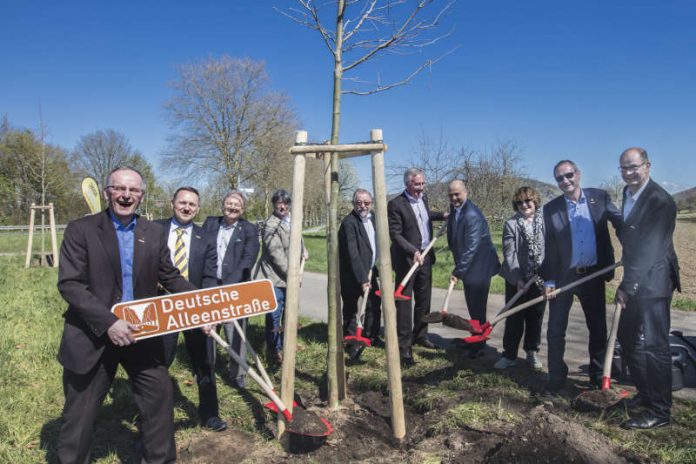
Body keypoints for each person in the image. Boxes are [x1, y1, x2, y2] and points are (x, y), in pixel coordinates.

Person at [56, 167, 195, 463]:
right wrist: (109, 322)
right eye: (119, 188)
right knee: (79, 417)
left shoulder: (153, 232)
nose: (126, 195)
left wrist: (202, 306)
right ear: (107, 192)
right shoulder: (81, 230)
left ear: (142, 196)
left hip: (142, 333)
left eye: (133, 191)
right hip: (94, 335)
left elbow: (170, 276)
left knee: (159, 401)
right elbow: (70, 284)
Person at [541, 160, 622, 395]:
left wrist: (635, 241)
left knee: (597, 329)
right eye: (560, 178)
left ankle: (597, 378)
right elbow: (549, 247)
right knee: (555, 330)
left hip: (593, 276)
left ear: (578, 174)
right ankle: (556, 378)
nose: (565, 181)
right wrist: (548, 281)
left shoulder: (600, 198)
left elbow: (621, 224)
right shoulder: (551, 209)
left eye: (569, 175)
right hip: (563, 278)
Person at [614, 147, 680, 430]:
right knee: (627, 338)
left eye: (633, 167)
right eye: (624, 168)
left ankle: (660, 410)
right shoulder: (627, 195)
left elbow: (651, 250)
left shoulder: (660, 202)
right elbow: (631, 235)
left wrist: (627, 287)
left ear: (647, 166)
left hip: (655, 281)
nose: (628, 173)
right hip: (637, 275)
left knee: (655, 346)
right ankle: (645, 393)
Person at [156, 187, 226, 432]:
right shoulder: (154, 229)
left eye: (192, 205)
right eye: (182, 202)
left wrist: (208, 310)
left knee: (205, 362)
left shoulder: (205, 236)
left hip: (194, 308)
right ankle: (155, 418)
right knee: (157, 365)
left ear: (198, 208)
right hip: (161, 307)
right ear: (172, 202)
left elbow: (209, 276)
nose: (187, 208)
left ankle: (210, 414)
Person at [388, 168, 446, 366]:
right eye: (417, 184)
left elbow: (425, 215)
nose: (421, 188)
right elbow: (395, 234)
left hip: (426, 257)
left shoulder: (423, 198)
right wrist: (413, 251)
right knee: (404, 304)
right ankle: (404, 349)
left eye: (422, 184)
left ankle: (421, 335)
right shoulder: (396, 204)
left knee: (424, 299)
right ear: (407, 184)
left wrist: (443, 215)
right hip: (407, 260)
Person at [203, 190, 260, 388]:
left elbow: (248, 260)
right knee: (208, 328)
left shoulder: (249, 229)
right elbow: (201, 252)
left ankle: (237, 374)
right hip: (210, 284)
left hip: (235, 288)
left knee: (235, 330)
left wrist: (227, 288)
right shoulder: (210, 223)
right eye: (229, 203)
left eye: (237, 204)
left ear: (242, 209)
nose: (233, 207)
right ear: (223, 205)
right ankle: (206, 369)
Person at [447, 180, 500, 359]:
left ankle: (478, 346)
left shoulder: (471, 215)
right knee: (473, 307)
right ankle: (475, 339)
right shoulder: (456, 209)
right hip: (470, 266)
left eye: (457, 194)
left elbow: (472, 248)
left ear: (466, 192)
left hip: (480, 266)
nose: (454, 198)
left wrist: (457, 272)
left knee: (477, 308)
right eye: (451, 195)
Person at [495, 186, 546, 370]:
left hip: (539, 279)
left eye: (527, 201)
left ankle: (532, 352)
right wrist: (518, 278)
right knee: (514, 317)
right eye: (520, 202)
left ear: (535, 202)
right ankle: (509, 355)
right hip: (516, 278)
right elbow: (510, 254)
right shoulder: (511, 224)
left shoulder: (545, 221)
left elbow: (552, 249)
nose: (524, 205)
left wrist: (548, 277)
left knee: (536, 317)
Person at [255, 189, 307, 364]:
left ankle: (288, 345)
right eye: (279, 203)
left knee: (290, 313)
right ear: (274, 205)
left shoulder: (292, 220)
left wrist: (304, 251)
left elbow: (299, 240)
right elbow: (276, 254)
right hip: (275, 278)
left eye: (285, 203)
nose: (282, 206)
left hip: (290, 276)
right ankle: (274, 350)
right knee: (274, 316)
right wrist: (293, 274)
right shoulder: (271, 225)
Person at [338, 188, 382, 359]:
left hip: (370, 270)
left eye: (366, 203)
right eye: (359, 203)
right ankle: (352, 342)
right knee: (351, 308)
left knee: (373, 304)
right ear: (353, 204)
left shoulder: (374, 218)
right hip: (353, 273)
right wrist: (362, 279)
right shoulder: (349, 223)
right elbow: (352, 253)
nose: (363, 206)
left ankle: (371, 336)